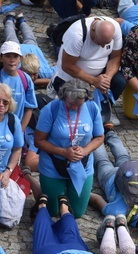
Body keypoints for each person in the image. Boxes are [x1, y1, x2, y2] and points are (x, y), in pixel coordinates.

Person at [34, 79, 104, 218]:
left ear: (86, 99)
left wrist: (85, 151)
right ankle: (34, 182)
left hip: (81, 165)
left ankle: (84, 195)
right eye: (70, 104)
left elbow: (100, 137)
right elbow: (38, 141)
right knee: (53, 212)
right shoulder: (51, 109)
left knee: (76, 213)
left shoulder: (92, 107)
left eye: (78, 105)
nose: (74, 108)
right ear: (63, 96)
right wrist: (64, 152)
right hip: (54, 164)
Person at [89, 128, 138, 240]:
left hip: (128, 172)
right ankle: (95, 138)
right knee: (102, 160)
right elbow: (96, 200)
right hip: (109, 179)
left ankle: (110, 132)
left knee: (123, 157)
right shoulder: (118, 213)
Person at [51, 15, 124, 126]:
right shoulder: (76, 34)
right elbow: (68, 65)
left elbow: (115, 58)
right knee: (76, 97)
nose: (103, 46)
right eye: (100, 42)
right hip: (71, 76)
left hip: (100, 72)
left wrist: (106, 79)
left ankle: (104, 107)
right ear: (93, 30)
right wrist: (93, 81)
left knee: (120, 81)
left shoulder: (115, 28)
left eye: (107, 43)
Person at [4, 14, 55, 90]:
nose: (32, 77)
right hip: (23, 49)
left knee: (12, 36)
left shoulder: (47, 72)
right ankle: (19, 21)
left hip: (31, 49)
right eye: (28, 74)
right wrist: (46, 81)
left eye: (34, 74)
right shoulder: (15, 68)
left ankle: (10, 20)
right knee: (27, 36)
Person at [0, 41, 36, 134]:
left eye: (15, 56)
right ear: (1, 58)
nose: (12, 60)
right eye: (8, 56)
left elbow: (29, 107)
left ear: (20, 59)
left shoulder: (25, 79)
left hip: (16, 128)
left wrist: (20, 130)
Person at [0, 84, 24, 190]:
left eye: (5, 102)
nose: (1, 105)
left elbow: (17, 149)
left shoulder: (13, 121)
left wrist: (8, 171)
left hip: (3, 176)